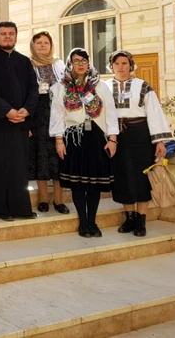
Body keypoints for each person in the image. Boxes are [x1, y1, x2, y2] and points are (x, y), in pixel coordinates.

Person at [50, 48, 118, 237]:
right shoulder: (60, 87)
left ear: (89, 63)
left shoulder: (100, 86)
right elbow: (57, 115)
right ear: (69, 64)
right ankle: (83, 222)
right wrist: (58, 139)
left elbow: (111, 113)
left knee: (94, 183)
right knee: (78, 183)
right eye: (76, 61)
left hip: (96, 137)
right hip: (73, 138)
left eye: (84, 60)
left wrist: (112, 138)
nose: (80, 64)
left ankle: (93, 222)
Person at [0, 22, 38, 221]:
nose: (8, 37)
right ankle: (0, 207)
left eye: (11, 34)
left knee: (19, 167)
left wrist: (26, 110)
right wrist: (7, 112)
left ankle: (21, 207)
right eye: (3, 34)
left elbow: (33, 89)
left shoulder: (25, 61)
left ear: (16, 36)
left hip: (20, 122)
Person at [108, 50, 170, 237]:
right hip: (116, 136)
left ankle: (141, 220)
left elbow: (154, 112)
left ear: (131, 65)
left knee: (142, 176)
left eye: (124, 63)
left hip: (140, 134)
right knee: (122, 176)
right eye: (117, 63)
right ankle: (129, 218)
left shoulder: (142, 86)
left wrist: (159, 141)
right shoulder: (104, 87)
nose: (121, 67)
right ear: (111, 67)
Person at [28, 31, 68, 214]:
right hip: (37, 115)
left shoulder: (59, 64)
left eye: (46, 42)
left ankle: (59, 200)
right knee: (40, 156)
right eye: (39, 43)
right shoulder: (27, 65)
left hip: (59, 113)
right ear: (33, 45)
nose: (43, 46)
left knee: (59, 158)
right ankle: (44, 198)